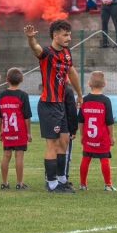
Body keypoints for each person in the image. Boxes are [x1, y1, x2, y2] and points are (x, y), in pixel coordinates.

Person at [24, 20, 83, 193]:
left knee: (64, 141)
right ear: (55, 36)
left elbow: (72, 73)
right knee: (52, 144)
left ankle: (61, 179)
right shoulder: (47, 53)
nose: (69, 38)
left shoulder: (66, 53)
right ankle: (51, 183)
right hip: (48, 104)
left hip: (60, 104)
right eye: (65, 35)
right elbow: (36, 48)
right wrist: (30, 38)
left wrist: (80, 95)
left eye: (69, 34)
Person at [78, 71, 116, 191]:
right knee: (104, 159)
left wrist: (82, 135)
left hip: (88, 137)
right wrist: (111, 136)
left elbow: (81, 121)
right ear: (104, 84)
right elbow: (109, 121)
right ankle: (108, 185)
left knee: (86, 159)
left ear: (89, 84)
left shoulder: (84, 100)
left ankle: (83, 185)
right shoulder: (106, 101)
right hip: (102, 137)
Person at [0, 68, 31, 190]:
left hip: (7, 130)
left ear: (7, 80)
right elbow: (27, 117)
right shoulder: (23, 95)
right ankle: (19, 183)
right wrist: (29, 133)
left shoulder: (2, 95)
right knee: (19, 156)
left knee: (6, 155)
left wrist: (0, 131)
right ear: (21, 80)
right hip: (19, 131)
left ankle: (4, 183)